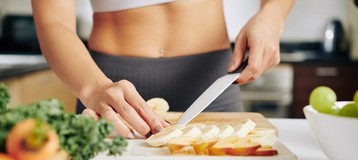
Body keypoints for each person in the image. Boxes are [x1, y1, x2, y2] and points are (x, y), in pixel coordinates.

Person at [31, 0, 294, 138]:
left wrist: (273, 15)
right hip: (108, 92)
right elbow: (53, 21)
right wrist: (94, 88)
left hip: (211, 89)